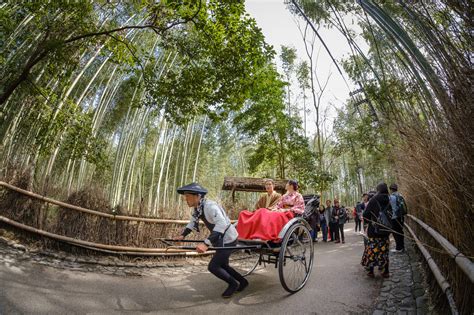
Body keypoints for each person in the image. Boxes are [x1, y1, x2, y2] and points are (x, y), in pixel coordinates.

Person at [176, 182, 248, 298]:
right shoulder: (198, 208)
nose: (186, 199)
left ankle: (233, 284)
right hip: (220, 238)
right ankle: (243, 282)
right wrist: (183, 235)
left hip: (228, 238)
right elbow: (192, 223)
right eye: (185, 197)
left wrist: (206, 244)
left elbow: (222, 224)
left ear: (197, 196)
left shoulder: (210, 206)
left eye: (188, 196)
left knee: (213, 266)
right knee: (223, 265)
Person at [237, 179, 304, 241]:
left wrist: (287, 210)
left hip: (289, 213)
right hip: (281, 211)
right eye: (267, 184)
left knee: (277, 215)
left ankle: (270, 235)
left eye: (287, 184)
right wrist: (275, 209)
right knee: (271, 214)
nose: (286, 185)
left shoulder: (298, 195)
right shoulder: (284, 196)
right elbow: (278, 205)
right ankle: (263, 235)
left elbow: (300, 207)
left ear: (291, 186)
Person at [361, 183, 391, 278]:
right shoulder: (390, 199)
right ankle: (385, 271)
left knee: (372, 251)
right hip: (386, 230)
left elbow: (365, 214)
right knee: (384, 251)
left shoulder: (374, 199)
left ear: (378, 190)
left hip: (374, 231)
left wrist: (370, 221)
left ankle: (370, 271)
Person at [389, 183, 406, 253]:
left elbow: (390, 207)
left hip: (394, 217)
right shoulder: (400, 195)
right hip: (401, 216)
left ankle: (398, 248)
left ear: (391, 189)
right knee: (400, 231)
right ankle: (402, 247)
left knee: (396, 232)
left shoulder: (391, 197)